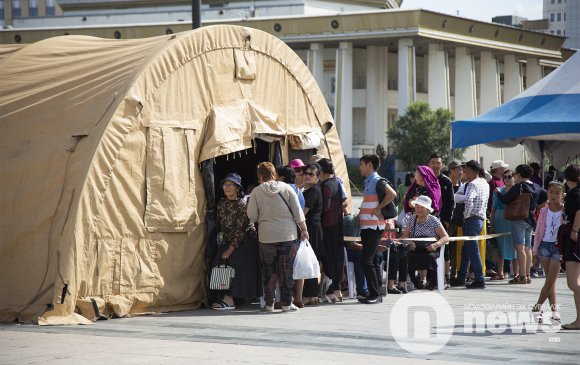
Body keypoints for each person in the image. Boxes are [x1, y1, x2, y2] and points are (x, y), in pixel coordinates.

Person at [247, 162, 308, 313]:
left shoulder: (256, 192)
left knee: (269, 270)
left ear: (260, 176)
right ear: (274, 173)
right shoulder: (286, 188)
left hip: (266, 236)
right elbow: (298, 211)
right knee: (286, 270)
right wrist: (304, 230)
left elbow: (252, 215)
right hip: (288, 234)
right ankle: (287, 304)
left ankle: (269, 304)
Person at [212, 173, 260, 310]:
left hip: (245, 241)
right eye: (225, 184)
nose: (227, 187)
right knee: (218, 263)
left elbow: (240, 230)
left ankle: (230, 299)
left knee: (233, 263)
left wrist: (230, 249)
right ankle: (226, 296)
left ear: (237, 188)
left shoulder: (242, 205)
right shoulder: (222, 203)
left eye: (231, 185)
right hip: (229, 239)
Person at [497, 164, 545, 285]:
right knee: (528, 247)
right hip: (530, 220)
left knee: (519, 248)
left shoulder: (519, 187)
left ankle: (522, 276)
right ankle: (528, 275)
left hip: (518, 219)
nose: (513, 177)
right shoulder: (536, 186)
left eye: (514, 174)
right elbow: (544, 197)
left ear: (518, 175)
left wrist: (498, 192)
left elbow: (505, 199)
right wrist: (535, 205)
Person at [357, 154, 396, 304]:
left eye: (362, 164)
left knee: (366, 261)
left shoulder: (376, 180)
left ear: (369, 165)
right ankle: (376, 292)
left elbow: (392, 193)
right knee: (371, 260)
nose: (360, 167)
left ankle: (375, 294)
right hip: (368, 226)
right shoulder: (369, 181)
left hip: (374, 227)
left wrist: (379, 208)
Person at [451, 160, 489, 289]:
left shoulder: (472, 184)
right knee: (466, 250)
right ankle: (461, 277)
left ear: (472, 171)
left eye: (465, 170)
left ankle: (479, 279)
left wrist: (465, 216)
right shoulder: (484, 183)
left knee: (473, 251)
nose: (464, 173)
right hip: (480, 220)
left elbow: (468, 200)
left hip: (471, 220)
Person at [532, 181, 565, 323]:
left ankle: (537, 307)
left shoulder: (565, 210)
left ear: (562, 195)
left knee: (551, 280)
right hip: (545, 246)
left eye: (557, 193)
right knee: (549, 282)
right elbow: (538, 232)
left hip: (558, 247)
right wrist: (535, 252)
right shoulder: (544, 210)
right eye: (551, 192)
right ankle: (554, 310)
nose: (553, 195)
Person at [402, 195, 450, 290]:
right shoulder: (412, 219)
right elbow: (404, 236)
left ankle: (433, 282)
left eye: (421, 207)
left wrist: (435, 245)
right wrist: (410, 242)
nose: (418, 209)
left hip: (430, 248)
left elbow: (445, 237)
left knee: (430, 257)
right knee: (406, 256)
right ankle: (416, 282)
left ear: (427, 209)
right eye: (417, 207)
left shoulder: (434, 220)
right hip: (416, 248)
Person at [276, 165, 306, 307]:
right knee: (297, 265)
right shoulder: (299, 191)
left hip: (283, 231)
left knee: (282, 266)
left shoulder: (280, 190)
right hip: (297, 230)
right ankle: (298, 298)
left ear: (281, 177)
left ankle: (283, 299)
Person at [318, 159, 346, 303]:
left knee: (327, 257)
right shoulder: (337, 182)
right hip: (338, 224)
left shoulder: (326, 185)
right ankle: (337, 290)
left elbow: (325, 207)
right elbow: (344, 201)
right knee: (337, 258)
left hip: (327, 226)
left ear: (321, 171)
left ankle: (330, 291)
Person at [428, 153, 455, 287]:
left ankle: (446, 277)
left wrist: (446, 220)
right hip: (426, 220)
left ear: (441, 164)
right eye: (432, 162)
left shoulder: (446, 181)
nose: (435, 165)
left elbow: (451, 202)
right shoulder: (425, 179)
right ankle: (430, 278)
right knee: (429, 247)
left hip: (442, 221)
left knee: (445, 249)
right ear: (429, 164)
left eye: (438, 162)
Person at [301, 163, 324, 306]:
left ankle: (310, 295)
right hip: (313, 228)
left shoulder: (313, 191)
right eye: (306, 173)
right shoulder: (311, 190)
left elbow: (303, 213)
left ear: (318, 177)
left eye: (311, 174)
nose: (308, 176)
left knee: (309, 262)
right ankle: (313, 294)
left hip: (312, 230)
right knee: (311, 262)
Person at [560, 164, 580, 330]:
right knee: (574, 282)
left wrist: (574, 229)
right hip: (573, 238)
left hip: (574, 240)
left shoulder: (575, 194)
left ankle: (579, 320)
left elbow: (579, 211)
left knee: (573, 283)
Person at [489, 169, 516, 281]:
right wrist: (491, 223)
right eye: (505, 177)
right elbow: (493, 208)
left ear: (514, 177)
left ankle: (516, 273)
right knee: (499, 247)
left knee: (515, 246)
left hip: (512, 220)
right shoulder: (498, 190)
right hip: (499, 219)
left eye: (509, 176)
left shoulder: (517, 190)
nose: (507, 179)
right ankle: (500, 272)